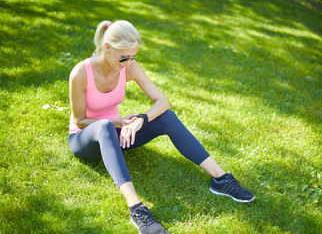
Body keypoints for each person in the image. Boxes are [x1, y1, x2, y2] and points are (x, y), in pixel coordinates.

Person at [68, 20, 255, 234]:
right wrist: (116, 123)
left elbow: (162, 101)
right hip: (85, 139)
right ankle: (136, 209)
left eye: (133, 57)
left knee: (167, 117)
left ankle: (221, 179)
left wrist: (142, 119)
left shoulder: (128, 67)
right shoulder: (81, 73)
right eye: (124, 57)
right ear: (108, 47)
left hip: (116, 135)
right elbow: (81, 119)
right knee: (103, 126)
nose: (128, 62)